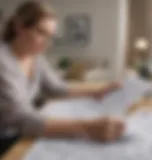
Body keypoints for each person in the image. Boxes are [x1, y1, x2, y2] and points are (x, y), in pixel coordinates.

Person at [0, 1, 124, 155]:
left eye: (50, 36)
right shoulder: (3, 61)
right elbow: (19, 118)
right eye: (41, 32)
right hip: (6, 138)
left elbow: (56, 88)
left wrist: (97, 92)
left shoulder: (35, 57)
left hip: (23, 132)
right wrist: (88, 129)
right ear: (19, 27)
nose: (47, 43)